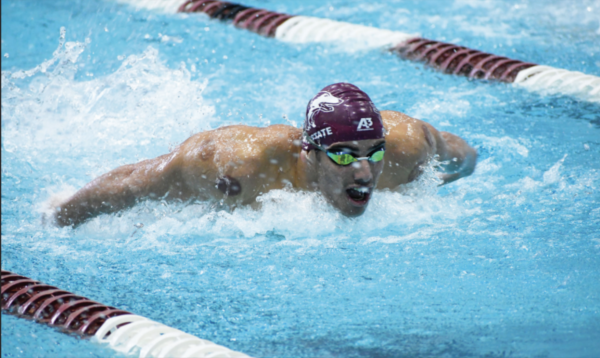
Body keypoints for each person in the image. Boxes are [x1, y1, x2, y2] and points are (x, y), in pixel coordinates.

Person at [51, 83, 477, 227]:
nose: (366, 173)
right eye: (344, 156)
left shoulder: (408, 147)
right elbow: (133, 183)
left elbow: (463, 157)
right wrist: (59, 215)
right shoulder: (238, 167)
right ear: (310, 152)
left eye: (373, 153)